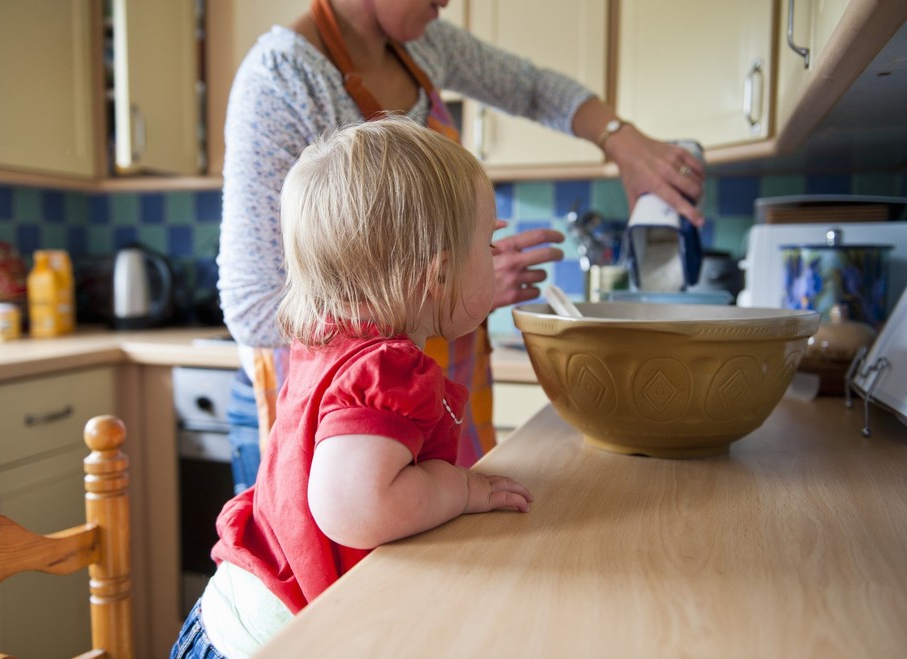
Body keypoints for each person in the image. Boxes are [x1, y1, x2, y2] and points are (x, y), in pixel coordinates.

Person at [218, 0, 707, 485]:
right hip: (333, 418)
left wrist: (621, 140)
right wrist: (444, 294)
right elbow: (253, 309)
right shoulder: (281, 80)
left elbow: (534, 89)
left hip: (421, 387)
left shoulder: (424, 42)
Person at [172, 117, 535, 657]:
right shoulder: (389, 369)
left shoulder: (333, 343)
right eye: (488, 243)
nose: (495, 257)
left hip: (235, 622)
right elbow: (353, 506)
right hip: (268, 642)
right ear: (437, 275)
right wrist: (459, 490)